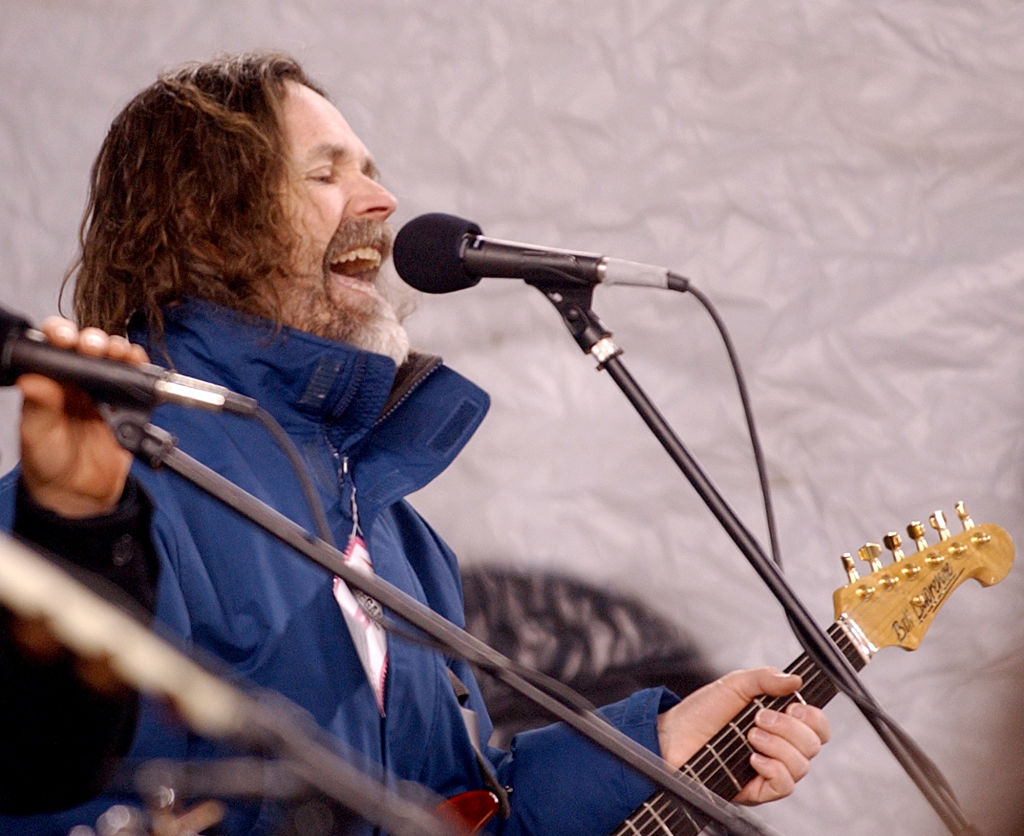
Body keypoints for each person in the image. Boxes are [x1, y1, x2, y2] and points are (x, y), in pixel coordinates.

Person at [0, 51, 829, 835]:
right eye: (327, 173)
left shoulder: (397, 533)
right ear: (205, 224)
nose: (382, 200)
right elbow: (57, 792)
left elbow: (460, 806)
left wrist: (657, 748)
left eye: (370, 169)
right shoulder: (91, 506)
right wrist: (74, 524)